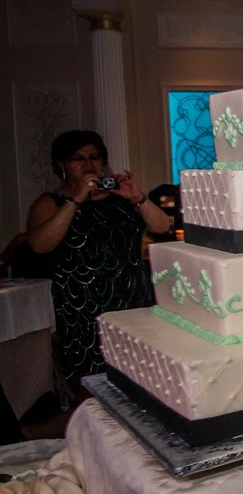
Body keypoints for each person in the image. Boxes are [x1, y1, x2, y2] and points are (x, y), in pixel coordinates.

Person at [25, 130, 173, 400]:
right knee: (94, 392)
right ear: (62, 165)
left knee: (143, 385)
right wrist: (76, 199)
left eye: (94, 157)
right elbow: (40, 245)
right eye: (77, 158)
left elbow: (163, 226)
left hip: (132, 302)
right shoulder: (50, 203)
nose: (88, 164)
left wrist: (137, 196)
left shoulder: (121, 197)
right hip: (82, 311)